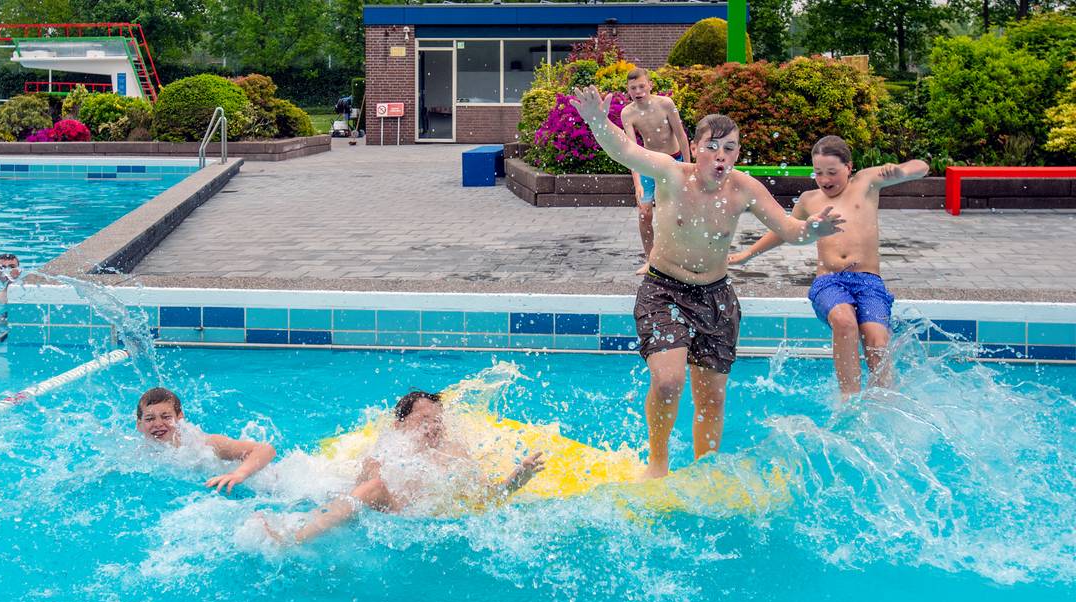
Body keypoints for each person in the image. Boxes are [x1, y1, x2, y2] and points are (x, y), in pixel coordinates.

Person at [568, 85, 844, 478]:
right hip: (664, 289)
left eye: (730, 148)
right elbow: (625, 151)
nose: (721, 155)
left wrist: (814, 230)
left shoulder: (744, 188)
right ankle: (658, 461)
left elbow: (790, 229)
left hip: (716, 298)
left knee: (711, 398)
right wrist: (597, 119)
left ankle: (704, 469)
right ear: (695, 148)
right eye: (713, 146)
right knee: (667, 382)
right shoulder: (670, 174)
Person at [728, 136, 928, 397]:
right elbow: (785, 231)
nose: (824, 179)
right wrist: (748, 254)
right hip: (829, 281)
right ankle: (849, 400)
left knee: (877, 341)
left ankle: (885, 402)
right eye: (818, 172)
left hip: (869, 282)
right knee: (845, 322)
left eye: (832, 172)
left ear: (849, 167)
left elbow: (921, 166)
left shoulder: (866, 182)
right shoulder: (810, 199)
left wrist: (901, 171)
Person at [257, 390, 545, 545]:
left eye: (438, 420)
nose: (433, 427)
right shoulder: (384, 452)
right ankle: (298, 536)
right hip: (389, 511)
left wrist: (520, 476)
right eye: (424, 420)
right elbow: (362, 493)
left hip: (424, 515)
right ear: (399, 425)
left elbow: (488, 498)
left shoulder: (455, 454)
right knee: (375, 486)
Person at [619, 68, 692, 275]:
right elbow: (631, 151)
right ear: (628, 90)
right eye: (633, 88)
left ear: (650, 85)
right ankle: (651, 260)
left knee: (676, 213)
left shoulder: (666, 104)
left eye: (642, 86)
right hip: (648, 164)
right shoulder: (628, 113)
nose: (638, 91)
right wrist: (637, 184)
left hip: (673, 161)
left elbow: (682, 136)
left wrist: (688, 169)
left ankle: (679, 258)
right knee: (644, 213)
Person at [135, 387, 277, 493]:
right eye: (150, 419)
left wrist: (238, 474)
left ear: (180, 418)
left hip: (271, 488)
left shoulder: (202, 444)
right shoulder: (139, 455)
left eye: (166, 417)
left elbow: (266, 450)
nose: (158, 424)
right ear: (139, 425)